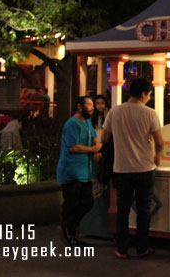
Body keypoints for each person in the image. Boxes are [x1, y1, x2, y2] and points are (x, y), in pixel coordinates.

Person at [101, 78, 164, 259]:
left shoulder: (115, 111)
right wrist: (158, 156)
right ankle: (142, 247)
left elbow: (104, 138)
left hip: (121, 169)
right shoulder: (150, 114)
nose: (149, 98)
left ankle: (122, 249)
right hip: (145, 168)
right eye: (149, 95)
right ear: (144, 94)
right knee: (143, 210)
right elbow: (159, 141)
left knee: (123, 210)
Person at [56, 96, 102, 246]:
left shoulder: (88, 122)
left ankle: (69, 227)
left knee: (87, 202)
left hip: (84, 171)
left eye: (92, 105)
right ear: (79, 106)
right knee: (72, 202)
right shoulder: (71, 124)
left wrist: (96, 147)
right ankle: (68, 231)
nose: (92, 107)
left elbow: (94, 138)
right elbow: (74, 146)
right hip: (71, 171)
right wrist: (92, 149)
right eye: (88, 105)